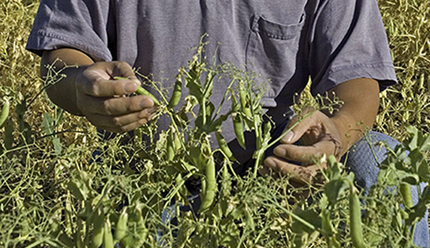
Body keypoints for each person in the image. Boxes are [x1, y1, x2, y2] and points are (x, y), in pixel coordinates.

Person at [26, 0, 429, 246]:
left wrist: (336, 132)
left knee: (386, 160)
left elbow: (356, 80)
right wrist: (82, 84)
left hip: (270, 175)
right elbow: (63, 52)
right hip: (142, 175)